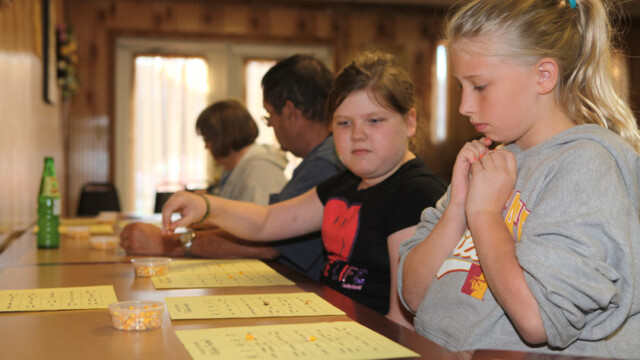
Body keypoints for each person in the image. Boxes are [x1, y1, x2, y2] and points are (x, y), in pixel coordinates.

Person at [398, 0, 640, 357]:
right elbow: (414, 296)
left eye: (479, 86)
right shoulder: (493, 160)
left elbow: (537, 319)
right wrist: (459, 207)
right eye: (460, 87)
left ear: (543, 76)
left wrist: (483, 216)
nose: (464, 105)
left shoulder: (588, 165)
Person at [160, 51, 447, 328]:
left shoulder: (416, 193)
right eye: (344, 123)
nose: (358, 134)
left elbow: (401, 319)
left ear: (410, 122)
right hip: (325, 325)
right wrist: (206, 205)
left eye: (374, 120)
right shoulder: (343, 184)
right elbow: (266, 222)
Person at [121, 54, 343, 281]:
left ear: (290, 113)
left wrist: (168, 243)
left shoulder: (324, 165)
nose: (270, 124)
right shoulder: (319, 161)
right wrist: (204, 208)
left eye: (269, 115)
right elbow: (265, 222)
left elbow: (268, 240)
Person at [196, 99, 287, 205]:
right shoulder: (237, 168)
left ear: (222, 137)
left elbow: (257, 219)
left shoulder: (260, 169)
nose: (206, 147)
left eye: (207, 140)